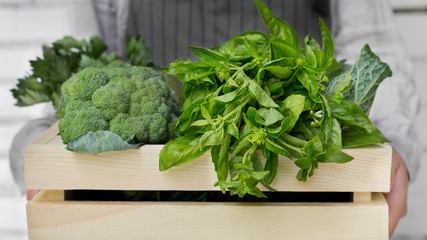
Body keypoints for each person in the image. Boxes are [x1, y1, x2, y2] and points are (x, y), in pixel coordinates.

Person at [11, 0, 419, 237]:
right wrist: (49, 171)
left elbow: (373, 44)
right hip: (147, 215)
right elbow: (87, 63)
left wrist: (383, 157)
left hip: (301, 199)